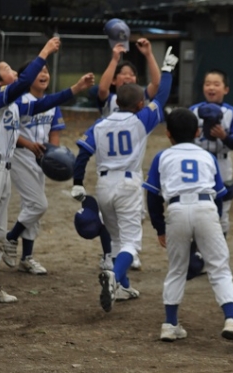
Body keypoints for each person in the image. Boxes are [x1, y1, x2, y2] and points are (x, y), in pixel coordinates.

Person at [0, 37, 94, 313]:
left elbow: (46, 102)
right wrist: (46, 51)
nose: (12, 70)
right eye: (6, 68)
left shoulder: (12, 105)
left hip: (3, 173)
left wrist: (76, 88)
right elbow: (25, 82)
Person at [71, 47, 178, 313]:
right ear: (139, 104)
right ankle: (113, 277)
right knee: (131, 242)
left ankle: (120, 283)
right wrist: (167, 70)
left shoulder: (100, 124)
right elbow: (162, 95)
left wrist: (78, 183)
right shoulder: (141, 120)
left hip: (104, 185)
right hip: (128, 185)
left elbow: (82, 154)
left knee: (116, 240)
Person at [143, 107, 233, 349]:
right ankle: (232, 319)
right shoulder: (208, 157)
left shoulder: (162, 157)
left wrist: (159, 228)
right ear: (197, 132)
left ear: (167, 134)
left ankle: (170, 324)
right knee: (219, 267)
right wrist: (212, 221)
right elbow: (219, 195)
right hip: (205, 207)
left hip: (175, 210)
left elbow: (152, 196)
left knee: (177, 269)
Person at [1, 62, 94, 274]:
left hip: (41, 158)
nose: (44, 74)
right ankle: (11, 237)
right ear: (26, 77)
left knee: (31, 207)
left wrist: (55, 156)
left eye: (46, 71)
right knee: (37, 204)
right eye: (38, 71)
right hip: (21, 156)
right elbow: (9, 133)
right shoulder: (19, 101)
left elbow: (55, 133)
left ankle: (27, 258)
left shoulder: (51, 104)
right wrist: (30, 146)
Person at [95, 37, 161, 270]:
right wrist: (114, 59)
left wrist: (149, 55)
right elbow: (102, 88)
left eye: (132, 75)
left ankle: (122, 252)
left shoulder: (137, 97)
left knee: (131, 214)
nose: (128, 77)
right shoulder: (112, 98)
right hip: (115, 164)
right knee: (111, 218)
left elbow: (156, 84)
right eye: (123, 74)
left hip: (129, 164)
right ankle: (114, 254)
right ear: (115, 79)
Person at [189, 69, 233, 236]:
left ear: (226, 89)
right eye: (207, 84)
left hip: (222, 162)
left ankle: (219, 254)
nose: (211, 87)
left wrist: (224, 136)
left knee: (222, 211)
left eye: (216, 84)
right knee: (196, 207)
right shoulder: (193, 111)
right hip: (197, 163)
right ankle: (198, 252)